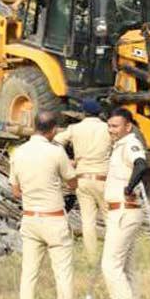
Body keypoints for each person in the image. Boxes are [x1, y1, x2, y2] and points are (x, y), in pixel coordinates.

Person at [9, 112, 79, 299]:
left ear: (34, 126)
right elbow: (72, 183)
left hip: (30, 218)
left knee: (28, 275)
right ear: (54, 129)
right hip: (54, 219)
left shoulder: (18, 153)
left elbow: (16, 190)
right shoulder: (56, 152)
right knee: (63, 274)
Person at [102, 108, 148, 299]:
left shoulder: (130, 143)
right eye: (109, 126)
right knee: (126, 268)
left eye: (115, 126)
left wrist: (129, 188)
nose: (111, 130)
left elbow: (141, 165)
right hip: (123, 211)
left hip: (124, 211)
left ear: (127, 127)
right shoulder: (119, 144)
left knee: (110, 266)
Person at [53, 98, 111, 261]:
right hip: (103, 178)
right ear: (99, 113)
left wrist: (67, 161)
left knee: (88, 221)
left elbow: (56, 141)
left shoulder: (74, 128)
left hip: (82, 179)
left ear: (83, 113)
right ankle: (113, 255)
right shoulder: (107, 129)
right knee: (110, 219)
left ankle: (91, 257)